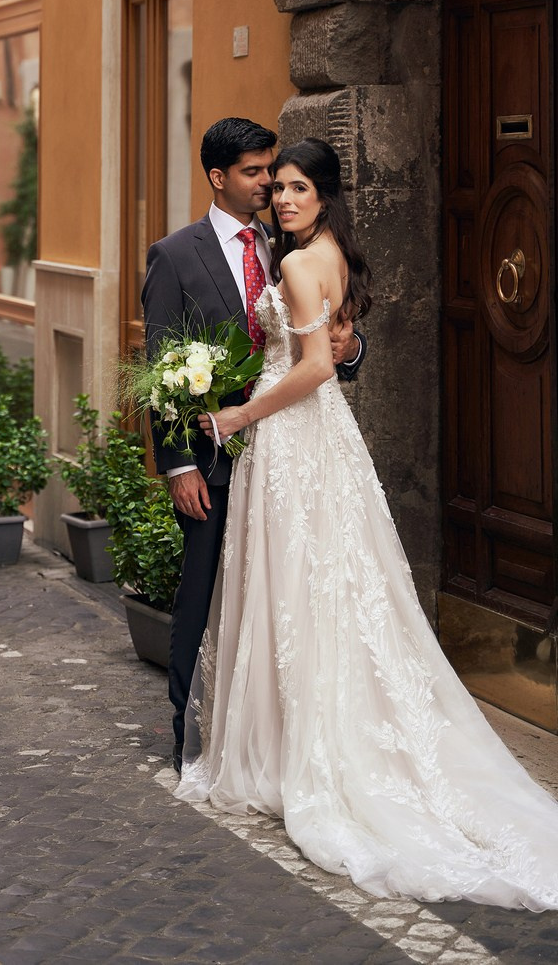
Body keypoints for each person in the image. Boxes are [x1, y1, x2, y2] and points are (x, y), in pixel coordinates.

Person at [176, 138, 558, 908]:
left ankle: (296, 754)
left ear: (324, 196)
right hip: (321, 440)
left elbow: (317, 364)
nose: (283, 200)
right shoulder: (332, 254)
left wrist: (237, 414)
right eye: (276, 188)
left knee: (302, 586)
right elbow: (323, 350)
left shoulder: (294, 263)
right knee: (328, 588)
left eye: (298, 190)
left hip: (289, 438)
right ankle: (301, 739)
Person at [141, 118, 365, 776]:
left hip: (287, 446)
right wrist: (178, 462)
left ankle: (271, 732)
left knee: (283, 591)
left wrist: (351, 350)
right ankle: (187, 732)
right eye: (255, 172)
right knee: (203, 589)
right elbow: (159, 365)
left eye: (274, 170)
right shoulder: (175, 255)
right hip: (210, 455)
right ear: (219, 178)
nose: (270, 183)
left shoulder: (289, 240)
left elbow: (323, 339)